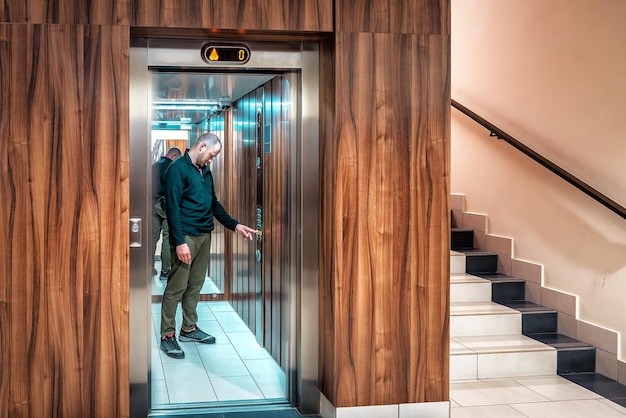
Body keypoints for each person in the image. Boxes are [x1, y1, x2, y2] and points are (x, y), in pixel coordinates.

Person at [160, 132, 257, 359]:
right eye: (212, 155)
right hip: (186, 237)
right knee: (176, 287)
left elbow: (213, 204)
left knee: (195, 285)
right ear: (202, 146)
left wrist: (235, 226)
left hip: (204, 236)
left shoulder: (205, 171)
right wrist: (179, 242)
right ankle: (167, 335)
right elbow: (172, 209)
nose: (212, 159)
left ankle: (188, 328)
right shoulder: (177, 170)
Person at [151, 146, 182, 278]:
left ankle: (148, 268)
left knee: (152, 238)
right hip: (166, 207)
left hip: (152, 205)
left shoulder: (153, 166)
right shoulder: (173, 168)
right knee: (167, 237)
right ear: (174, 156)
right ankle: (165, 270)